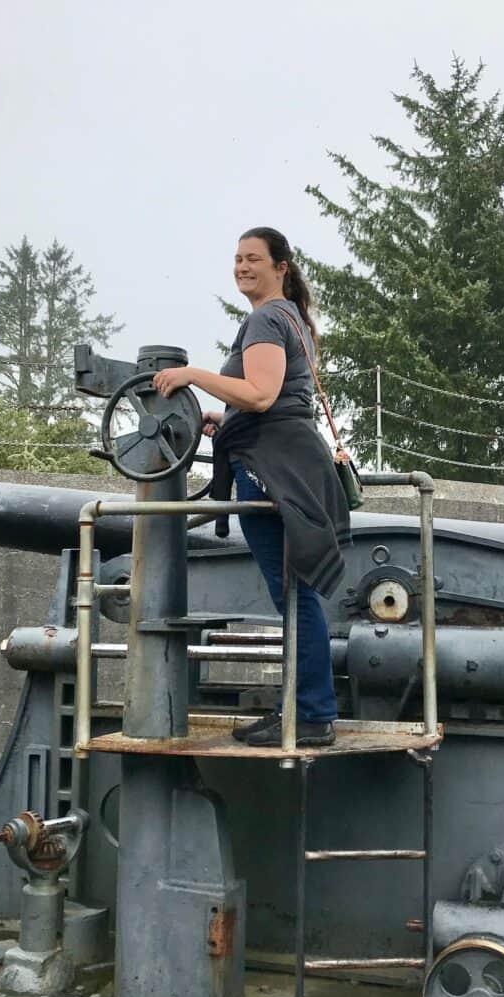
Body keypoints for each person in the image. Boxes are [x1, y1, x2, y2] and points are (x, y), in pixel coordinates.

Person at [153, 226, 351, 747]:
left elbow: (262, 395)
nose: (242, 267)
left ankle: (310, 715)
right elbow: (273, 398)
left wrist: (191, 375)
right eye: (237, 259)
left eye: (253, 259)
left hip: (273, 465)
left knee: (293, 596)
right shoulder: (292, 319)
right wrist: (226, 416)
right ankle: (302, 709)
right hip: (287, 456)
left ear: (280, 267)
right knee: (293, 593)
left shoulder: (266, 317)